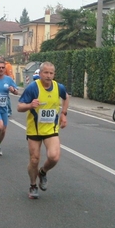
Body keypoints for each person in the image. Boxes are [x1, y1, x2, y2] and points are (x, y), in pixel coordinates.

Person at [17, 62, 69, 199]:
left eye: (51, 73)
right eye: (46, 73)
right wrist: (30, 105)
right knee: (34, 159)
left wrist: (63, 113)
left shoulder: (59, 87)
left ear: (54, 74)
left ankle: (43, 172)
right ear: (40, 74)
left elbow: (66, 97)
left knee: (54, 157)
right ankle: (33, 185)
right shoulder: (33, 88)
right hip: (34, 129)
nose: (48, 75)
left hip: (51, 128)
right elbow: (19, 107)